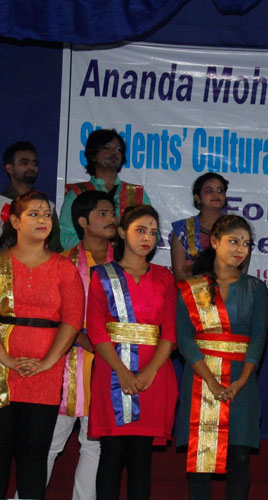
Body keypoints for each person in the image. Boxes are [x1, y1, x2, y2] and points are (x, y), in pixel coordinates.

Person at [86, 204, 178, 500]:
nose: (147, 237)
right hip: (112, 372)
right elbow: (96, 330)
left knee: (141, 458)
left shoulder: (164, 277)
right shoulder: (102, 275)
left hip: (155, 374)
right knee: (111, 455)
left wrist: (149, 372)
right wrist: (122, 372)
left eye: (152, 232)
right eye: (140, 230)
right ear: (123, 232)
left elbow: (170, 332)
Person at [176, 215, 268, 500]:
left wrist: (242, 380)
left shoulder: (256, 288)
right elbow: (184, 338)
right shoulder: (191, 288)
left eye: (246, 244)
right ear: (215, 242)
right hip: (200, 380)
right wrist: (211, 381)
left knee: (239, 459)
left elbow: (258, 339)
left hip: (242, 381)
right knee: (200, 465)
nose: (241, 249)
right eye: (233, 241)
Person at [0, 191, 84, 499]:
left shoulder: (64, 268)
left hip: (45, 372)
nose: (42, 220)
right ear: (15, 221)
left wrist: (47, 362)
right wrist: (7, 360)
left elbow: (72, 322)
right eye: (33, 214)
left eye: (47, 214)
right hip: (2, 368)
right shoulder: (0, 262)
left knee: (34, 455)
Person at [47, 191, 116, 500]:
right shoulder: (62, 262)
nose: (111, 218)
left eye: (112, 212)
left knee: (95, 442)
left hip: (111, 363)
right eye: (103, 213)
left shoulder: (126, 263)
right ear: (83, 222)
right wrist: (84, 339)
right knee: (51, 441)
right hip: (66, 360)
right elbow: (52, 315)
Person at [59, 129, 151, 250]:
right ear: (93, 155)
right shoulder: (78, 193)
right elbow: (64, 239)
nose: (114, 152)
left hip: (127, 261)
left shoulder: (136, 193)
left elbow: (152, 235)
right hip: (87, 260)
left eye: (118, 149)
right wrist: (97, 239)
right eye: (107, 147)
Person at [170, 173, 249, 281]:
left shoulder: (237, 228)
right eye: (209, 191)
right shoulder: (183, 230)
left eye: (220, 191)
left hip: (230, 290)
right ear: (198, 198)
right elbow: (180, 273)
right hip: (191, 290)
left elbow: (242, 272)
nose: (216, 195)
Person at [0, 141, 62, 251]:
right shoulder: (1, 203)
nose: (31, 167)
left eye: (35, 164)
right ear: (9, 168)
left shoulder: (48, 206)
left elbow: (55, 248)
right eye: (24, 163)